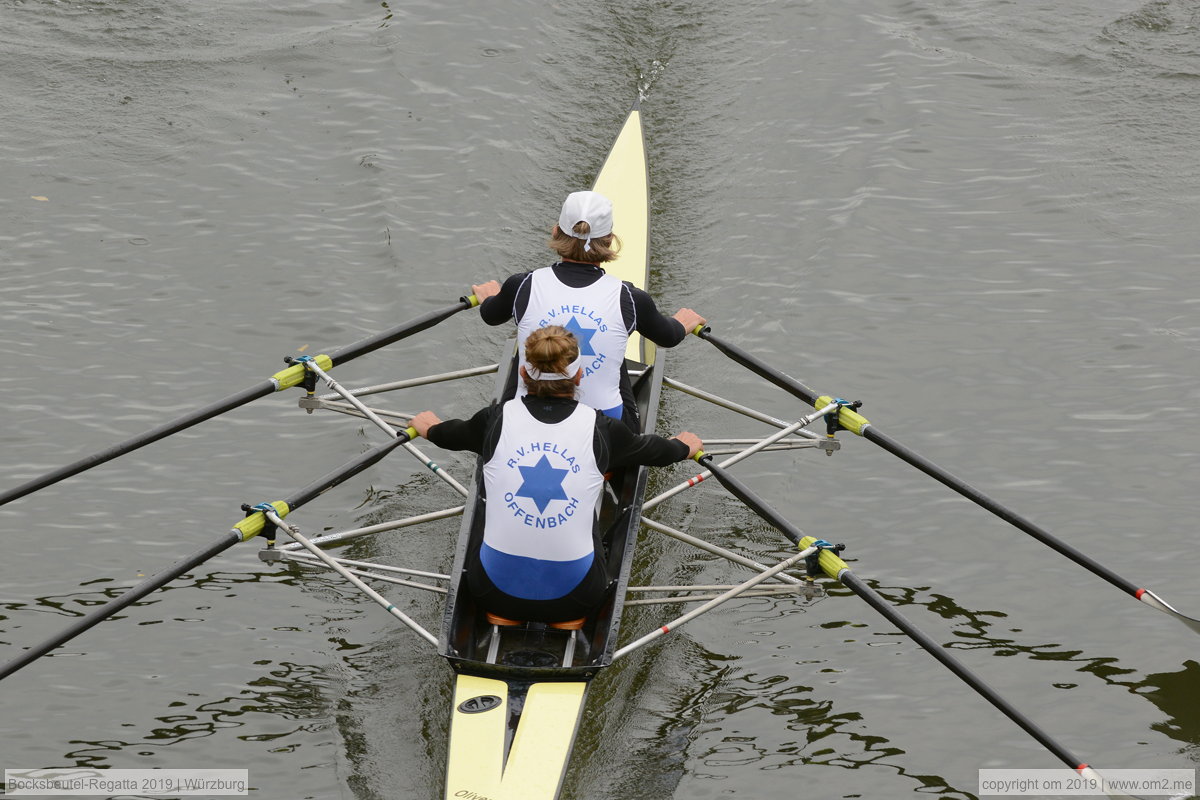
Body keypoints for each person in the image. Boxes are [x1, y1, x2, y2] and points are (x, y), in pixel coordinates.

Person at [411, 325, 702, 625]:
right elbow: (655, 452)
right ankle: (566, 617)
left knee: (486, 490)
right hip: (576, 599)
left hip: (490, 593)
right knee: (589, 498)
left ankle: (503, 614)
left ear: (523, 375)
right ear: (579, 376)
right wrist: (683, 446)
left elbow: (450, 435)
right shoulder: (603, 429)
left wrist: (430, 427)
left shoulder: (493, 419)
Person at [471, 190, 705, 429]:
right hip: (605, 433)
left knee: (526, 352)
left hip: (525, 422)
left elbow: (491, 316)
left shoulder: (521, 286)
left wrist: (491, 298)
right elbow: (667, 337)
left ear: (555, 232)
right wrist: (680, 323)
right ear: (610, 240)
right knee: (617, 354)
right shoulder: (631, 299)